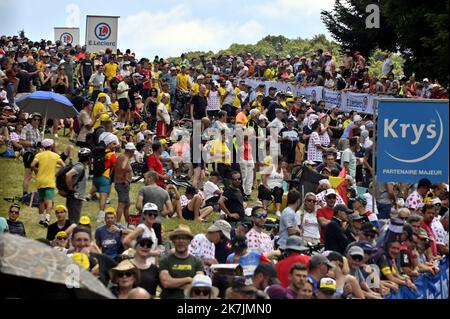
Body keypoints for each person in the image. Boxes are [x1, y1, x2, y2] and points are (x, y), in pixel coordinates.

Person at [159, 225, 204, 299]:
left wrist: (173, 284)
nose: (181, 241)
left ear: (189, 241)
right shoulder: (165, 261)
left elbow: (199, 285)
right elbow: (166, 283)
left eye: (184, 238)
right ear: (173, 241)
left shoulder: (197, 262)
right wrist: (188, 279)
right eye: (178, 238)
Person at [31, 138, 65, 226]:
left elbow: (32, 165)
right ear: (51, 146)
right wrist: (57, 173)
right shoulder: (55, 156)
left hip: (40, 180)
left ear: (43, 146)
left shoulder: (39, 155)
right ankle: (47, 218)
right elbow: (63, 165)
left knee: (41, 200)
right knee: (49, 201)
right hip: (50, 180)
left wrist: (37, 170)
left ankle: (41, 218)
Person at [136, 171, 173, 244]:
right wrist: (159, 214)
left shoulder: (143, 189)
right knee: (157, 244)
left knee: (142, 244)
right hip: (157, 222)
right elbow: (170, 210)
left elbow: (138, 205)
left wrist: (145, 213)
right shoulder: (164, 192)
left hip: (145, 221)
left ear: (150, 178)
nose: (144, 180)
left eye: (145, 178)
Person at [93, 133, 118, 222]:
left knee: (98, 195)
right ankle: (101, 216)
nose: (116, 145)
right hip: (105, 177)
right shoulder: (112, 155)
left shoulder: (101, 152)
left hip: (96, 177)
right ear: (108, 144)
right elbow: (115, 166)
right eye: (114, 144)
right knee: (103, 198)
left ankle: (90, 196)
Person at [64, 148, 91, 224]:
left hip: (75, 196)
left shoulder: (80, 166)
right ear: (88, 158)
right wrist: (70, 189)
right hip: (75, 197)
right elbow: (68, 175)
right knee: (74, 221)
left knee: (73, 219)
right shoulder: (79, 167)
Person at [20, 112, 43, 196]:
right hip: (28, 153)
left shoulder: (38, 130)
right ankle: (25, 194)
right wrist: (33, 144)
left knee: (39, 174)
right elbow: (21, 141)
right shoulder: (26, 128)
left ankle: (41, 194)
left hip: (37, 155)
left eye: (38, 120)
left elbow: (39, 144)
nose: (36, 121)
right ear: (31, 119)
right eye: (35, 119)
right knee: (28, 175)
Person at [114, 142, 134, 224]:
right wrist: (126, 177)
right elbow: (123, 167)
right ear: (130, 151)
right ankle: (117, 222)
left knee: (127, 204)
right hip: (122, 183)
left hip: (120, 183)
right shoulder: (125, 157)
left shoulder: (120, 156)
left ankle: (128, 221)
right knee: (122, 204)